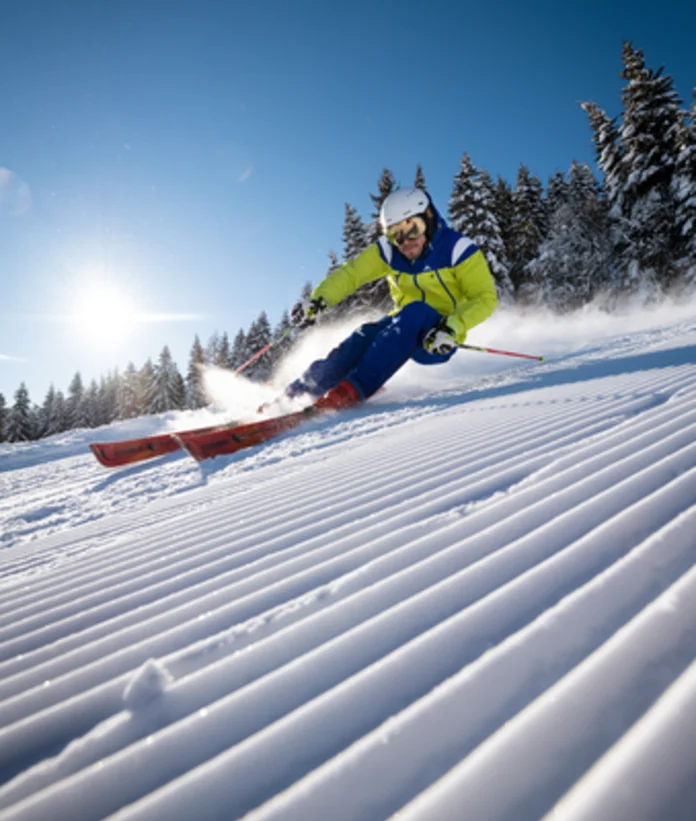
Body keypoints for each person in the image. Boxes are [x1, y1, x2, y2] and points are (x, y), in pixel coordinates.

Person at [287, 187, 498, 411]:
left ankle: (353, 389)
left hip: (437, 336)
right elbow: (352, 274)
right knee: (364, 335)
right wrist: (320, 300)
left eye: (412, 229)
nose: (405, 241)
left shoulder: (457, 249)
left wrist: (453, 327)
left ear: (429, 219)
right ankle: (298, 393)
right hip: (401, 327)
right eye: (396, 234)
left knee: (416, 311)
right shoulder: (388, 252)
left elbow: (485, 297)